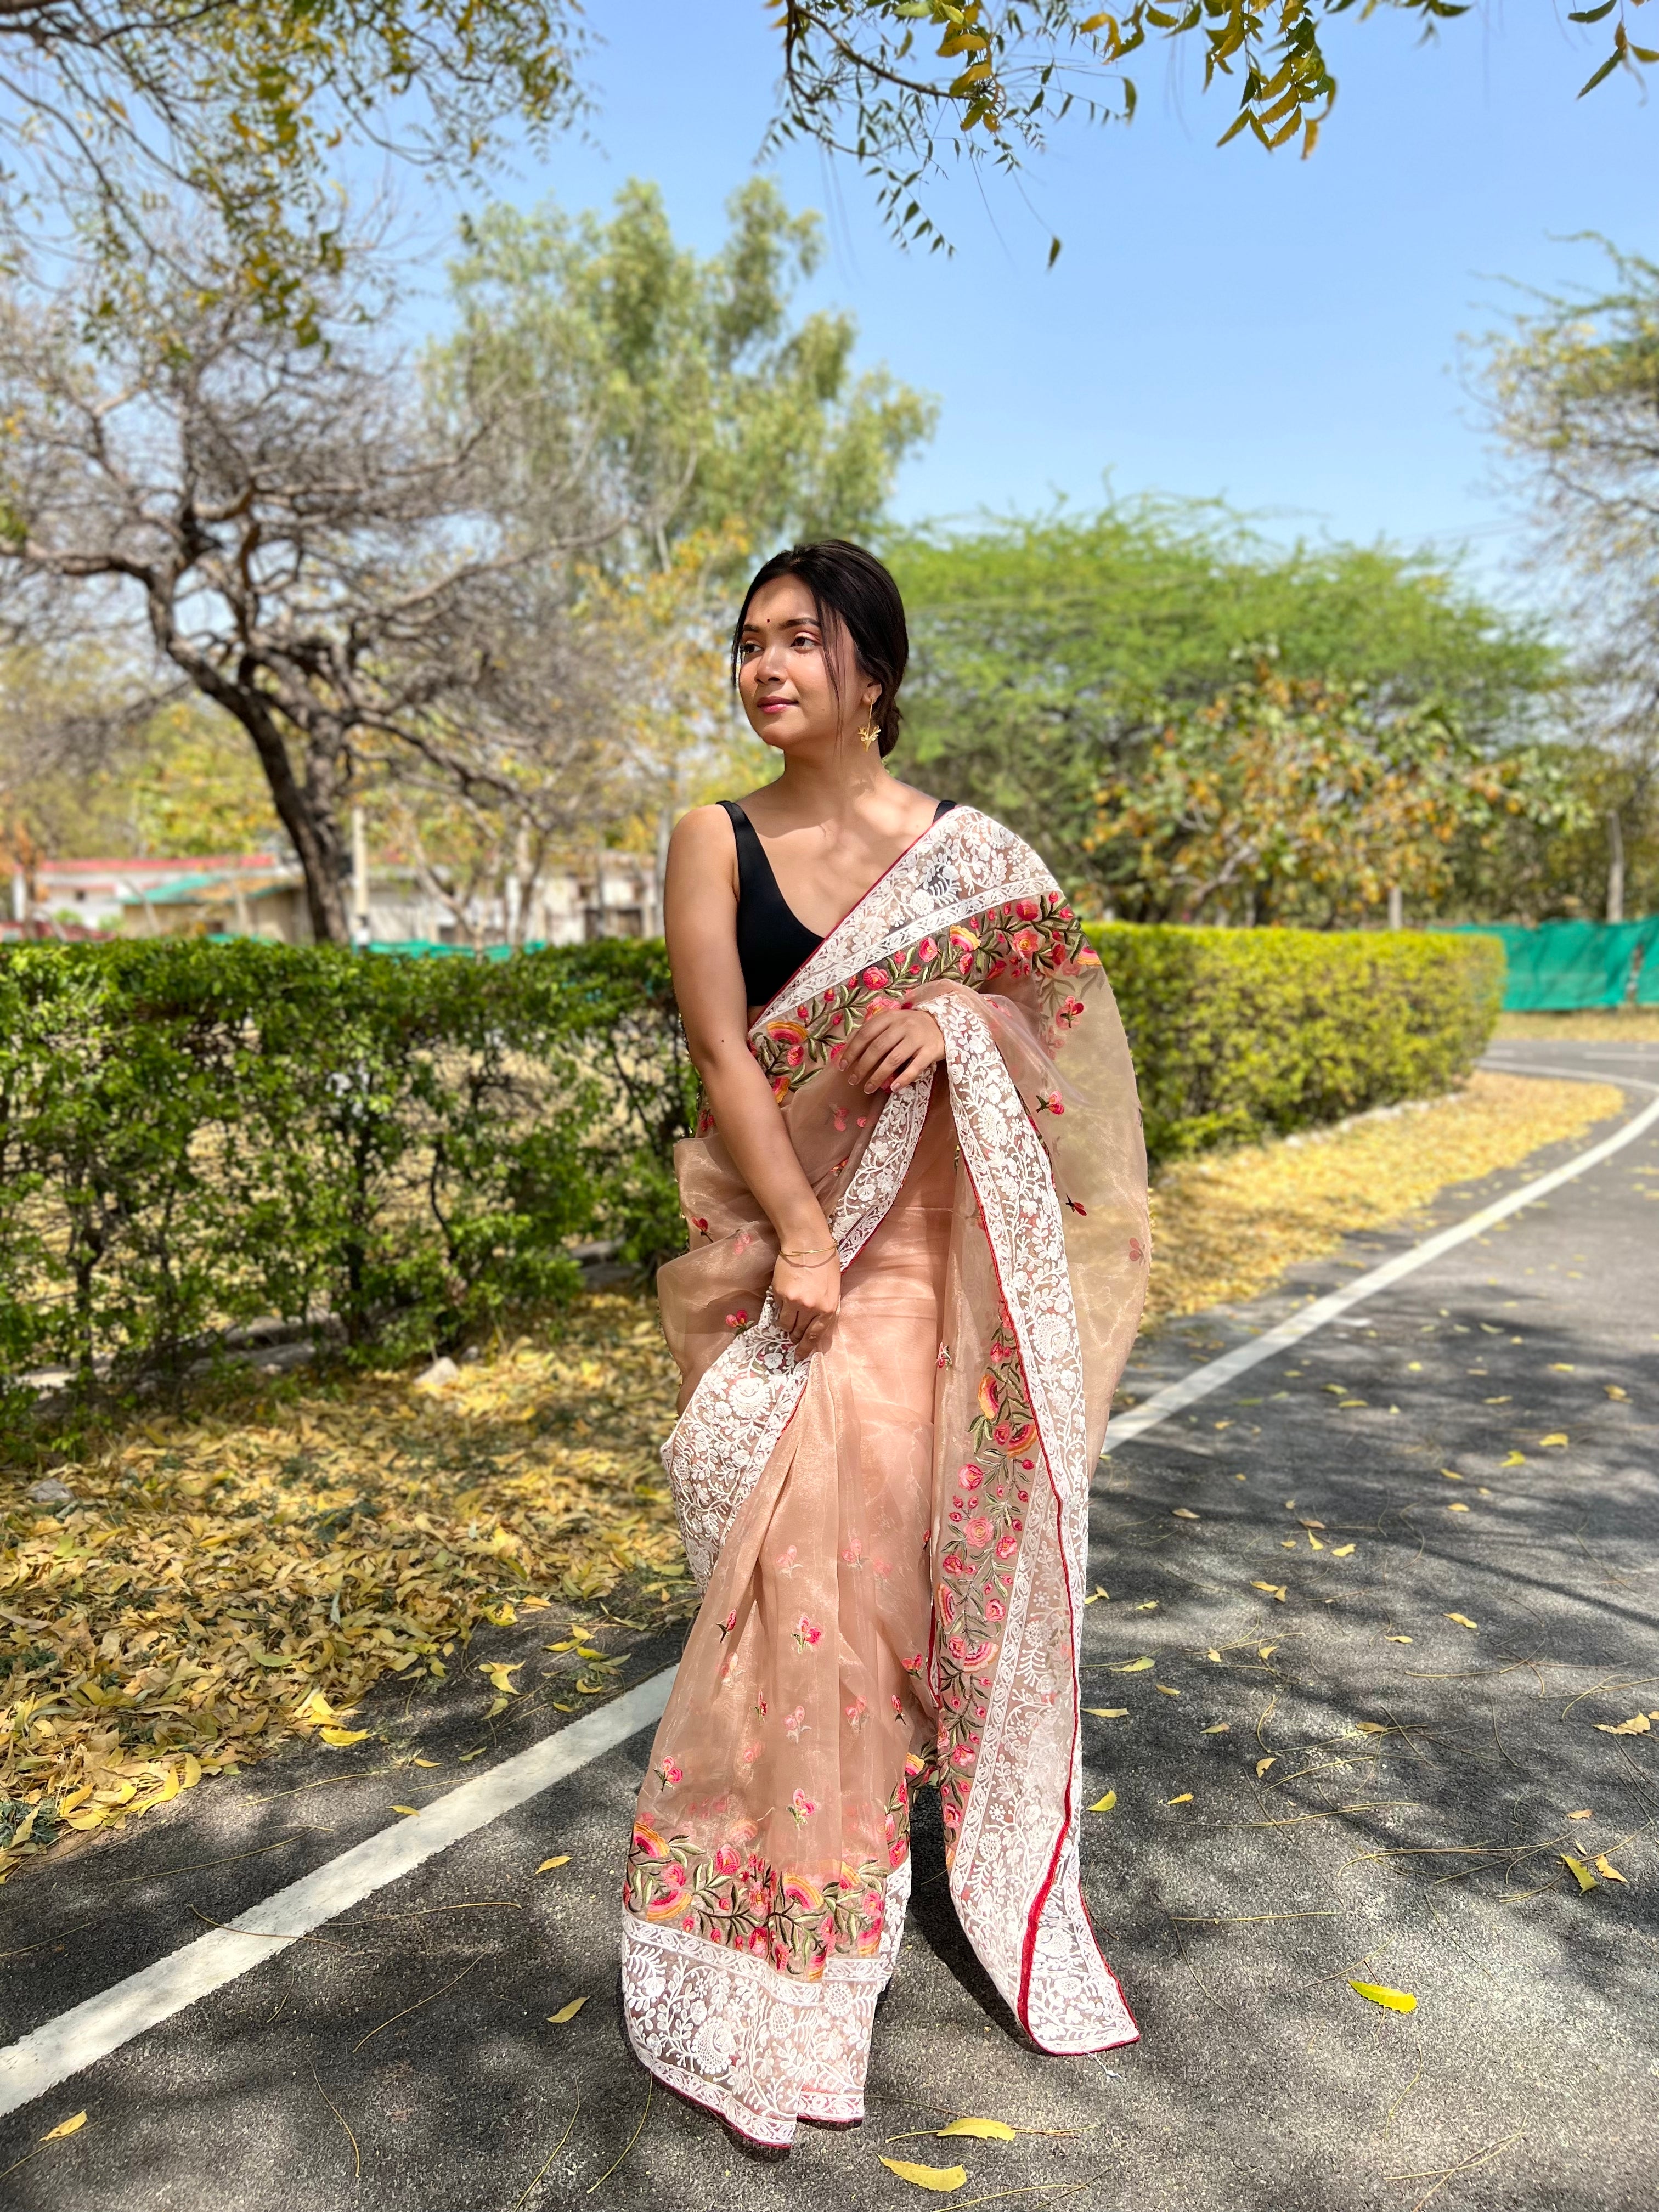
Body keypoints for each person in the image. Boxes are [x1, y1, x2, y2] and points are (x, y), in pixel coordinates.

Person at [618, 540, 1149, 2148]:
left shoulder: (969, 860)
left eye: (803, 640)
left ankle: (907, 1863)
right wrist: (794, 1235)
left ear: (875, 674)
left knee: (920, 1587)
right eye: (751, 641)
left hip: (946, 1280)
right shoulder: (711, 839)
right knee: (813, 1597)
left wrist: (963, 1021)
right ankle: (786, 1944)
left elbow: (1065, 1044)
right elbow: (722, 1049)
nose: (768, 666)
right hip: (797, 1265)